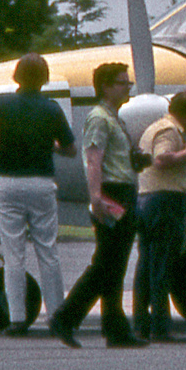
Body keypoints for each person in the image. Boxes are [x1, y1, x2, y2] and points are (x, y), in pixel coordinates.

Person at [50, 63, 146, 349]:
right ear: (105, 86)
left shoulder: (114, 119)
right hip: (112, 193)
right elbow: (94, 159)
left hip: (122, 190)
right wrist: (96, 197)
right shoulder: (99, 118)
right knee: (105, 265)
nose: (127, 87)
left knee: (114, 266)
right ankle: (65, 317)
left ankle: (114, 328)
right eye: (121, 83)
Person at [0, 53, 77, 337]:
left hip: (7, 181)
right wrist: (53, 148)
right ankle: (57, 315)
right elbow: (70, 149)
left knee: (14, 254)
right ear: (45, 78)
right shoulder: (51, 109)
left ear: (17, 76)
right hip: (41, 181)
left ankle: (18, 318)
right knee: (48, 251)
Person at [133, 87, 186, 342]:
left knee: (147, 263)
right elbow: (161, 159)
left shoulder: (154, 127)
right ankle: (160, 326)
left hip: (147, 198)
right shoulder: (170, 131)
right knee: (162, 264)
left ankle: (141, 323)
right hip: (165, 201)